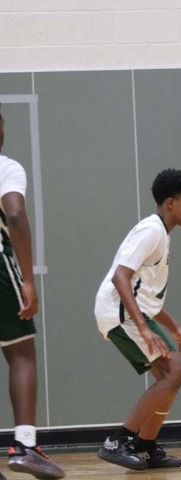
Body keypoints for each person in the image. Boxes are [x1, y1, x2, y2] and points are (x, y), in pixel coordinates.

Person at [94, 168, 181, 471]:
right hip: (119, 313)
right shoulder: (150, 231)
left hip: (130, 312)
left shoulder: (161, 234)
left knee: (172, 375)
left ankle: (145, 446)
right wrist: (143, 327)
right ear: (170, 203)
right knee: (174, 373)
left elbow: (146, 297)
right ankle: (117, 442)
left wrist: (174, 328)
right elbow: (120, 277)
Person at [0, 106, 66, 479]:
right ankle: (25, 445)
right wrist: (27, 278)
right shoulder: (6, 167)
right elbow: (14, 215)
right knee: (21, 355)